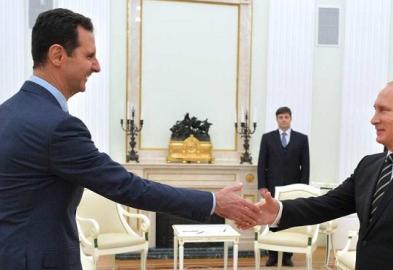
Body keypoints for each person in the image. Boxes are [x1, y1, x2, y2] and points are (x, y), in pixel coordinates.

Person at [0, 8, 259, 270]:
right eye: (89, 56)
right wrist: (213, 202)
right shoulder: (58, 127)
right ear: (57, 55)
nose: (97, 66)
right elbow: (127, 187)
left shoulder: (6, 112)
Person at [251, 79, 393, 269]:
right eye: (375, 109)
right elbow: (327, 204)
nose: (373, 119)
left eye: (383, 110)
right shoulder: (369, 165)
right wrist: (278, 211)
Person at [257, 106, 309, 267]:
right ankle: (272, 255)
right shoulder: (267, 138)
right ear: (277, 119)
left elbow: (305, 165)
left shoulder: (302, 139)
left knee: (290, 217)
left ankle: (287, 256)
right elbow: (261, 164)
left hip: (294, 187)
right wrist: (262, 186)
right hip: (272, 187)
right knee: (272, 218)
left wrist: (303, 187)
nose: (283, 120)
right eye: (280, 117)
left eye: (286, 117)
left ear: (290, 119)